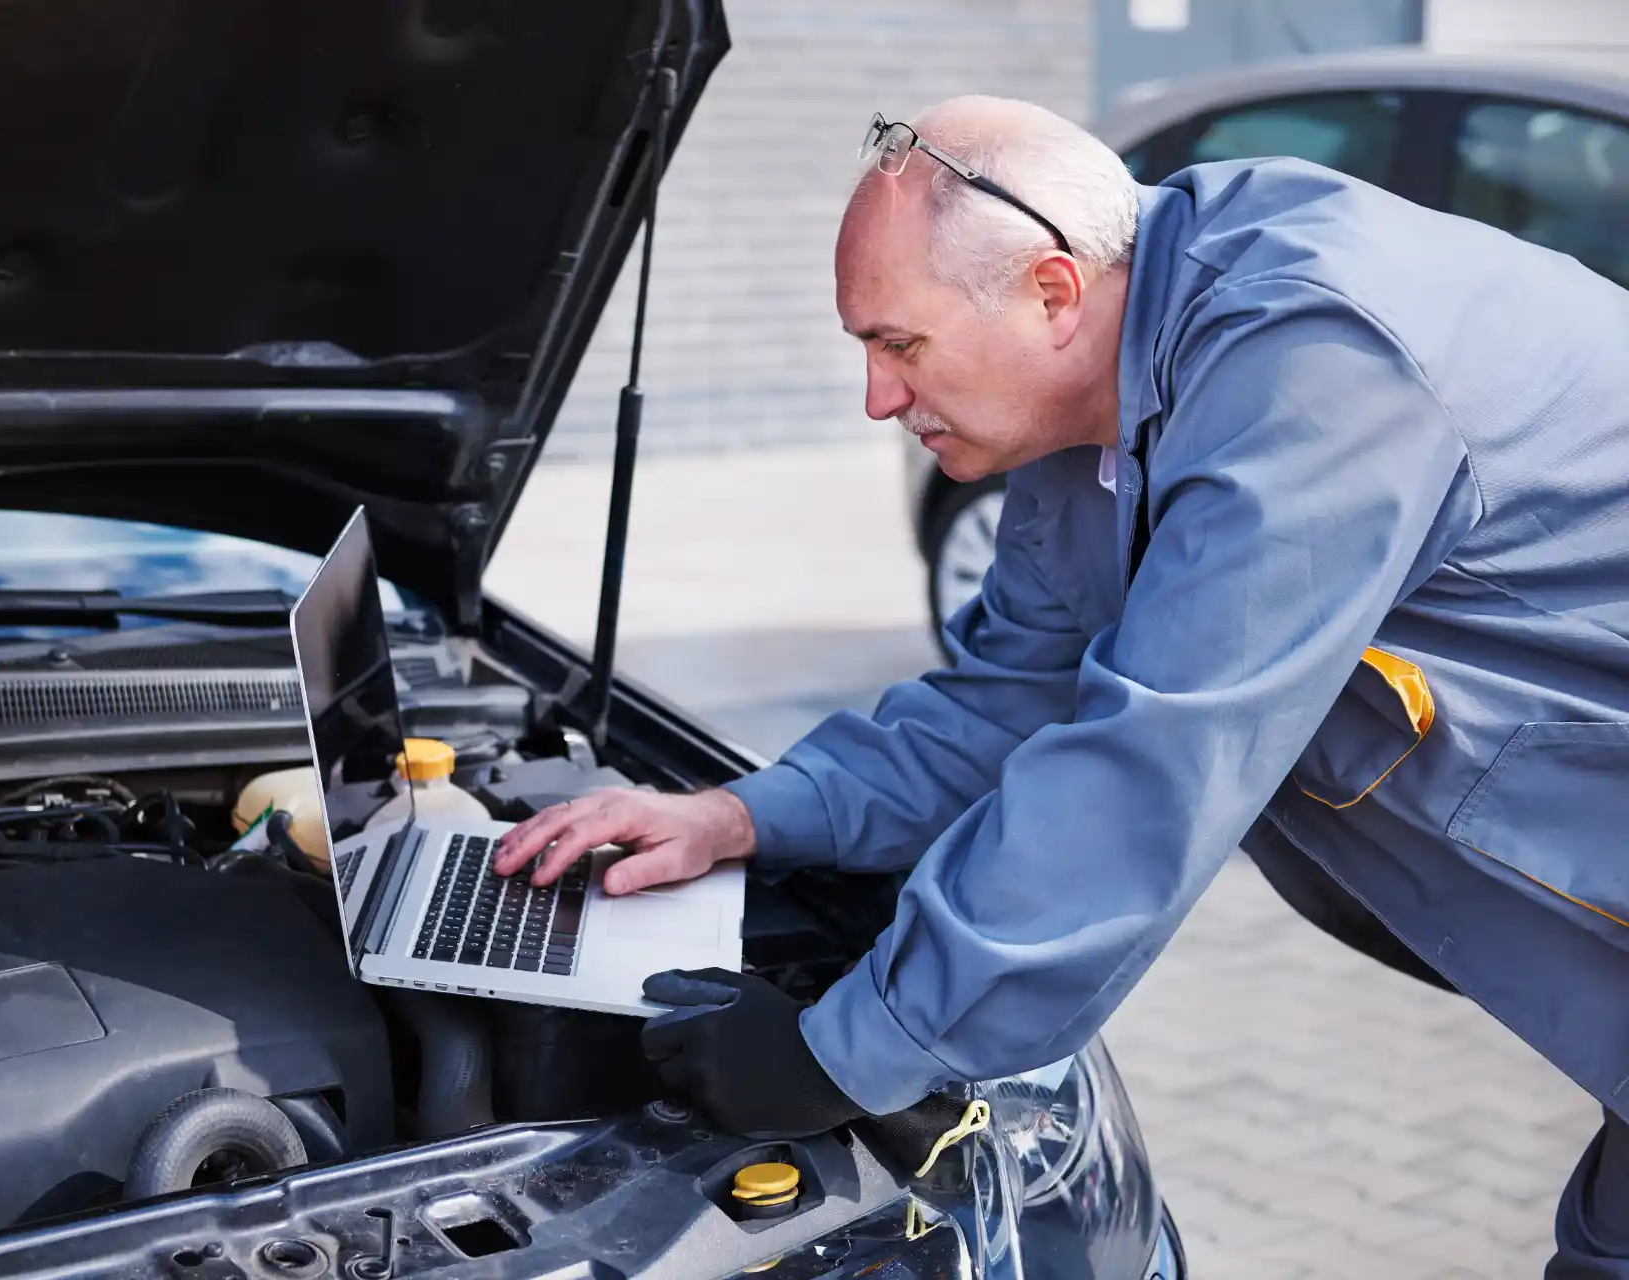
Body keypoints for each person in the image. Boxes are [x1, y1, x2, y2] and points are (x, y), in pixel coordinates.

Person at [492, 95, 1629, 1273]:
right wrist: (737, 816)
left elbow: (1150, 773)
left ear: (1051, 291)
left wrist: (851, 1047)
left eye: (898, 344)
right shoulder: (1098, 411)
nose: (877, 400)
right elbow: (1010, 700)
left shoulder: (1314, 363)